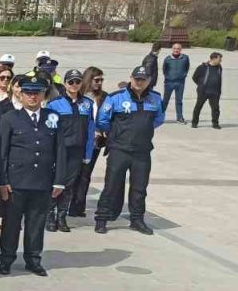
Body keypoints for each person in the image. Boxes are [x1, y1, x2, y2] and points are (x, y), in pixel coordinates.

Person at [0, 79, 66, 276]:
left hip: (42, 181)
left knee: (36, 224)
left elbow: (60, 150)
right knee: (11, 225)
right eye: (28, 93)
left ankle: (33, 259)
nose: (32, 97)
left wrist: (59, 179)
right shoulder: (10, 118)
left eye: (37, 93)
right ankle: (6, 259)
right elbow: (3, 152)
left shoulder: (53, 117)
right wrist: (2, 181)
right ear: (21, 94)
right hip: (16, 182)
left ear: (43, 94)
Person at [94, 66, 165, 235]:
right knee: (111, 185)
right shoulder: (116, 98)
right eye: (137, 79)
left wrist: (143, 130)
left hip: (142, 151)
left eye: (143, 79)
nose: (139, 82)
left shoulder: (155, 99)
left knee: (140, 188)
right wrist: (118, 133)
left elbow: (159, 119)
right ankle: (102, 218)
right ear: (131, 79)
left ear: (148, 81)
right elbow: (102, 120)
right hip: (120, 149)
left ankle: (137, 219)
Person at [46, 70, 96, 233]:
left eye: (77, 82)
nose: (74, 85)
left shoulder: (87, 104)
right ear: (65, 83)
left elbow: (90, 129)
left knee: (69, 185)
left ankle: (62, 216)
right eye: (71, 82)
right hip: (59, 150)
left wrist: (88, 153)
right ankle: (50, 215)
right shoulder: (55, 104)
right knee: (54, 182)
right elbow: (49, 131)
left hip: (77, 150)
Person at [68, 67, 108, 218]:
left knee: (85, 174)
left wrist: (102, 130)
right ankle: (67, 204)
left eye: (101, 80)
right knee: (73, 174)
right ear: (88, 79)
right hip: (78, 140)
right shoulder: (78, 96)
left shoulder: (103, 97)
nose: (99, 83)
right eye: (96, 80)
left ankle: (79, 206)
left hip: (95, 142)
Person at [191, 52, 223, 129]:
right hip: (203, 92)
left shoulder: (219, 67)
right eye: (219, 59)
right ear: (214, 58)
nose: (221, 60)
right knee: (198, 107)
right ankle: (194, 123)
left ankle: (215, 123)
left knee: (215, 108)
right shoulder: (202, 67)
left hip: (215, 92)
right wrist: (201, 85)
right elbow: (194, 77)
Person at [162, 43, 190, 123]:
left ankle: (180, 117)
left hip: (180, 83)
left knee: (179, 100)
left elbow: (186, 68)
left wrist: (183, 75)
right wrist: (168, 77)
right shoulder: (167, 59)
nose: (176, 50)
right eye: (175, 48)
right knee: (165, 100)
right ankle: (160, 116)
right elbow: (164, 70)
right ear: (172, 49)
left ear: (180, 49)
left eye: (178, 48)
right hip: (169, 83)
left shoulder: (185, 58)